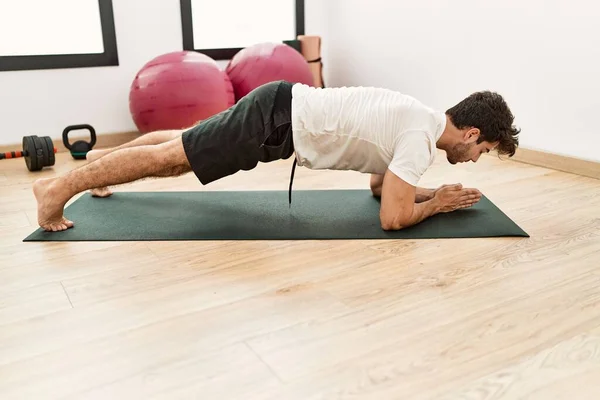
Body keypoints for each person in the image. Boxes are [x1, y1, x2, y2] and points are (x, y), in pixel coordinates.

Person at [32, 80, 519, 232]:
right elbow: (393, 217)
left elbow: (380, 188)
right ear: (472, 132)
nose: (476, 159)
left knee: (179, 143)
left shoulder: (420, 122)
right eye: (483, 149)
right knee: (173, 158)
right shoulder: (419, 139)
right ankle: (56, 190)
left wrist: (426, 191)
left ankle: (96, 171)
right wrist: (436, 204)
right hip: (277, 121)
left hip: (280, 108)